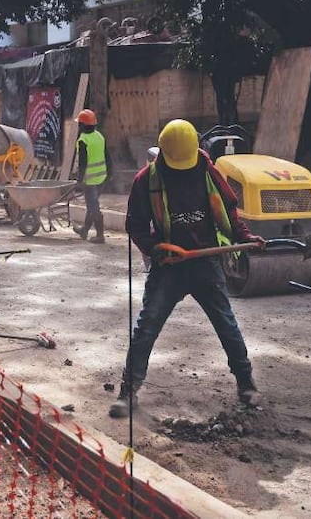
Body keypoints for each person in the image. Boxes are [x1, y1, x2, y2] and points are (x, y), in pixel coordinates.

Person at [109, 118, 264, 418]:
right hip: (170, 267)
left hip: (206, 264)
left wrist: (244, 236)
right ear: (163, 154)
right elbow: (135, 225)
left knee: (226, 325)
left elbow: (229, 212)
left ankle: (246, 384)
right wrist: (156, 249)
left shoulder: (207, 171)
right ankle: (128, 392)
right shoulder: (147, 179)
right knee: (147, 327)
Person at [72, 108, 109, 244]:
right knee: (92, 205)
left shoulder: (83, 140)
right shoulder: (99, 136)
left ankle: (100, 235)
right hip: (101, 178)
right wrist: (109, 174)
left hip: (91, 180)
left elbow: (83, 163)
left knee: (94, 207)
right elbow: (107, 156)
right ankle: (85, 230)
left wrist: (79, 181)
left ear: (82, 125)